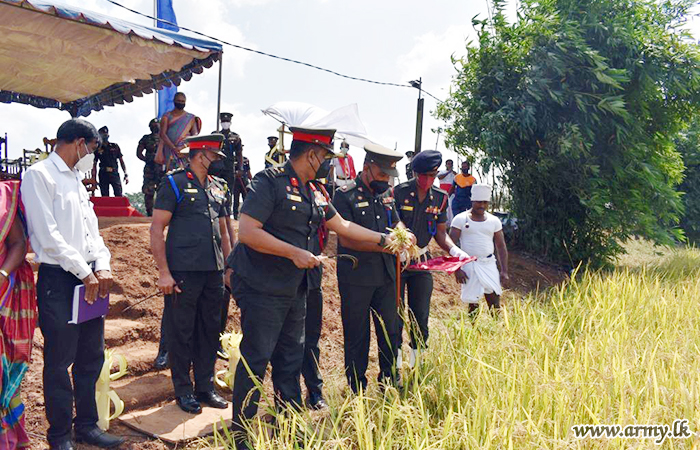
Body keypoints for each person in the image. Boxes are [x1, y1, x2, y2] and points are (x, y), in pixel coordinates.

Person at [227, 127, 409, 449]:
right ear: (312, 153)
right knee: (257, 357)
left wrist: (386, 239)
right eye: (326, 156)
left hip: (296, 288)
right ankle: (240, 433)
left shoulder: (317, 191)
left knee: (291, 358)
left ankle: (290, 426)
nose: (329, 162)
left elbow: (343, 226)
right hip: (263, 286)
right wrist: (293, 252)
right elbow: (248, 232)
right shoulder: (269, 181)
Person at [21, 119, 124, 449]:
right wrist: (84, 270)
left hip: (89, 279)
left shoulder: (78, 182)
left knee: (90, 357)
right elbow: (47, 236)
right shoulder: (39, 176)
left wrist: (103, 264)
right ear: (79, 143)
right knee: (59, 361)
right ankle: (60, 435)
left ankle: (87, 426)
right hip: (60, 281)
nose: (92, 155)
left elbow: (93, 233)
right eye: (92, 148)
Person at [150, 134, 232, 414]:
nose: (219, 161)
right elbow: (156, 228)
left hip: (213, 273)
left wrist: (228, 267)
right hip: (183, 272)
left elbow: (224, 231)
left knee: (210, 331)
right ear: (200, 154)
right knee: (182, 331)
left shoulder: (219, 187)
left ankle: (205, 387)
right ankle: (183, 390)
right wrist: (163, 272)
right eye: (214, 156)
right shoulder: (174, 183)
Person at [332, 143, 414, 394]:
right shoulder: (344, 195)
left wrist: (404, 234)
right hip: (356, 276)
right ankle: (356, 388)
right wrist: (385, 246)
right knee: (357, 336)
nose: (385, 180)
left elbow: (396, 220)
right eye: (382, 174)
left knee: (390, 330)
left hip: (387, 276)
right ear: (367, 167)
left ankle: (389, 380)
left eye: (389, 176)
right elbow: (347, 238)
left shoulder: (386, 194)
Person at [392, 151, 469, 368]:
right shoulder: (399, 192)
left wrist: (455, 251)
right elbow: (391, 225)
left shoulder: (440, 197)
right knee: (395, 312)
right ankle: (395, 364)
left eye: (432, 176)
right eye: (423, 176)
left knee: (421, 312)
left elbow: (440, 232)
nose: (427, 181)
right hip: (398, 260)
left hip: (422, 260)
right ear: (414, 173)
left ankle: (417, 362)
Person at [0, 181, 37, 449]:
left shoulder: (3, 198)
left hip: (2, 294)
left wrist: (2, 275)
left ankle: (7, 436)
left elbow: (17, 242)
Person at [449, 184, 509, 314]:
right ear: (472, 200)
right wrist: (457, 269)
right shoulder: (460, 219)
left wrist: (504, 270)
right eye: (479, 202)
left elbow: (501, 247)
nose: (482, 205)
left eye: (485, 202)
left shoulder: (494, 221)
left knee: (494, 299)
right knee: (473, 302)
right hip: (469, 264)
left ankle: (495, 329)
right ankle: (473, 330)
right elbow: (450, 245)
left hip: (489, 264)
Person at [159, 92, 200, 171]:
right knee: (171, 175)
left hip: (185, 152)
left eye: (182, 101)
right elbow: (163, 134)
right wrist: (174, 148)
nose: (180, 103)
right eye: (179, 101)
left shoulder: (191, 118)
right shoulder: (166, 116)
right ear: (174, 101)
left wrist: (184, 146)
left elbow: (195, 134)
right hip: (170, 151)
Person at [136, 119, 163, 216]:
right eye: (153, 125)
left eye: (157, 125)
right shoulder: (146, 138)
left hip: (161, 168)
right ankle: (149, 213)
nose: (155, 127)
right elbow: (139, 153)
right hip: (150, 168)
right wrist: (147, 160)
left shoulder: (164, 138)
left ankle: (162, 213)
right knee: (148, 191)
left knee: (163, 190)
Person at [92, 126, 128, 197]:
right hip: (103, 174)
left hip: (114, 173)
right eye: (102, 134)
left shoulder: (115, 146)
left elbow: (122, 161)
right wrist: (94, 179)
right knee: (105, 196)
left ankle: (119, 208)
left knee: (118, 195)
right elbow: (94, 165)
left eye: (105, 134)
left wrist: (125, 174)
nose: (104, 136)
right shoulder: (97, 148)